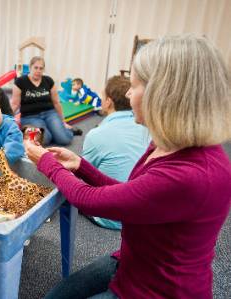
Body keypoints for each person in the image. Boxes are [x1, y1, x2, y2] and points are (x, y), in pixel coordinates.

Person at [25, 35, 231, 298]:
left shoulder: (193, 175)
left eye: (134, 86)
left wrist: (47, 163)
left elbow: (89, 200)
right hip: (134, 263)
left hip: (156, 290)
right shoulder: (167, 142)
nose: (127, 93)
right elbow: (135, 193)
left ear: (163, 95)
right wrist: (81, 166)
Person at [81, 75, 150, 230]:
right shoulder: (150, 130)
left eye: (103, 95)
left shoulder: (96, 134)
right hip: (143, 214)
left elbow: (82, 175)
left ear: (108, 101)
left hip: (109, 217)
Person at [11, 56, 82, 146]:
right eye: (35, 67)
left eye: (41, 68)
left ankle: (67, 130)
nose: (38, 71)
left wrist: (63, 122)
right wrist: (5, 121)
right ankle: (52, 131)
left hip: (50, 113)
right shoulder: (20, 81)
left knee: (64, 139)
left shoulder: (48, 80)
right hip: (30, 116)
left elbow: (56, 102)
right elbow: (15, 104)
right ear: (30, 68)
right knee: (45, 140)